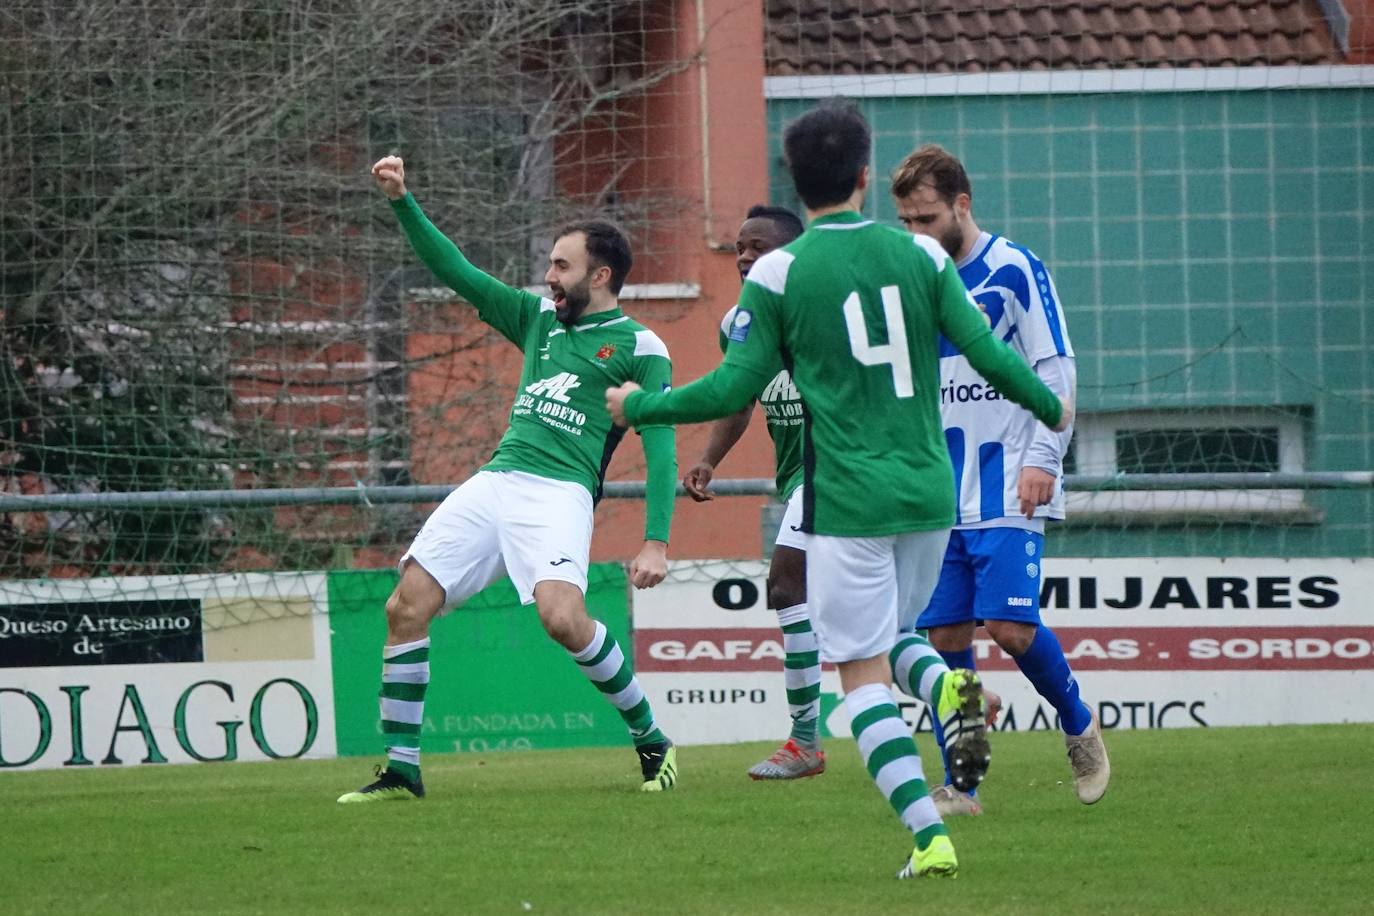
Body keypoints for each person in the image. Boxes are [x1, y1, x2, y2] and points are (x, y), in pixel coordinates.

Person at [607, 102, 1071, 879]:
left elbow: (733, 383)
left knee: (858, 679)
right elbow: (989, 352)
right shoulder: (922, 257)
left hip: (847, 500)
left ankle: (930, 837)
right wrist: (1048, 404)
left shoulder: (783, 271)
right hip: (930, 493)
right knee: (895, 642)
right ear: (864, 175)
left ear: (797, 179)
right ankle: (953, 684)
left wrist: (641, 404)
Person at [338, 155, 680, 803]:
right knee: (405, 605)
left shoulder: (641, 346)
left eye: (561, 265)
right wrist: (401, 200)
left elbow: (660, 444)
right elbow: (456, 273)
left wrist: (655, 539)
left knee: (561, 618)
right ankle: (402, 768)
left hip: (559, 493)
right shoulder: (538, 318)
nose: (549, 276)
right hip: (497, 481)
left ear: (600, 276)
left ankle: (651, 738)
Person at [891, 144, 1109, 815]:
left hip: (1010, 474)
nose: (917, 234)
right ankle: (963, 786)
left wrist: (1047, 455)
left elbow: (1055, 367)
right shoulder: (910, 280)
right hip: (936, 485)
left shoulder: (1013, 268)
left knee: (1009, 629)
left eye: (927, 218)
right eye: (906, 222)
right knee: (946, 639)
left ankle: (1078, 726)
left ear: (962, 205)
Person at [682, 204, 824, 780]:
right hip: (799, 480)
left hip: (839, 475)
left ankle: (806, 744)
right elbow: (740, 400)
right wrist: (708, 458)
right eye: (740, 247)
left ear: (790, 255)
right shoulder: (738, 324)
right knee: (851, 610)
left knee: (787, 585)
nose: (743, 257)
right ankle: (951, 690)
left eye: (757, 247)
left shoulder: (824, 314)